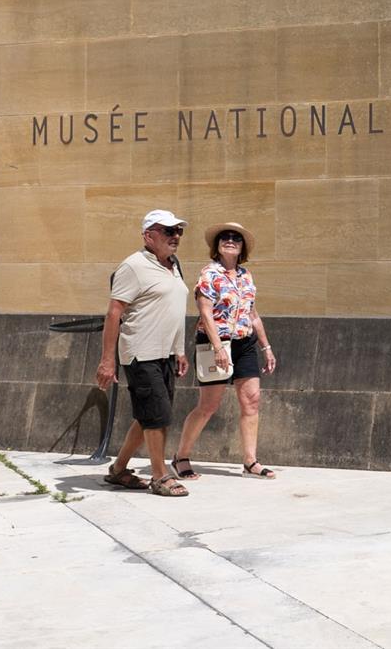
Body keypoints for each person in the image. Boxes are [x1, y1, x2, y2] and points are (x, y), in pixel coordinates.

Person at [171, 221, 279, 480]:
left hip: (244, 344)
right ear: (217, 246)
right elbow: (205, 312)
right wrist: (218, 347)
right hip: (213, 344)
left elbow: (252, 314)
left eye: (236, 238)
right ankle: (181, 457)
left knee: (251, 401)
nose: (230, 240)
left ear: (242, 247)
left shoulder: (246, 276)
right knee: (208, 405)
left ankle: (250, 462)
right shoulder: (209, 274)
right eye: (224, 237)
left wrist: (267, 347)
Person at [96, 209, 191, 497]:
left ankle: (118, 470)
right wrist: (107, 361)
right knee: (156, 417)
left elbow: (173, 310)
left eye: (178, 231)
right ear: (148, 236)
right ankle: (160, 476)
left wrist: (179, 350)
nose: (175, 237)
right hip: (141, 353)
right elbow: (114, 314)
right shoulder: (133, 266)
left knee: (148, 415)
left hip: (165, 355)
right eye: (168, 231)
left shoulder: (173, 265)